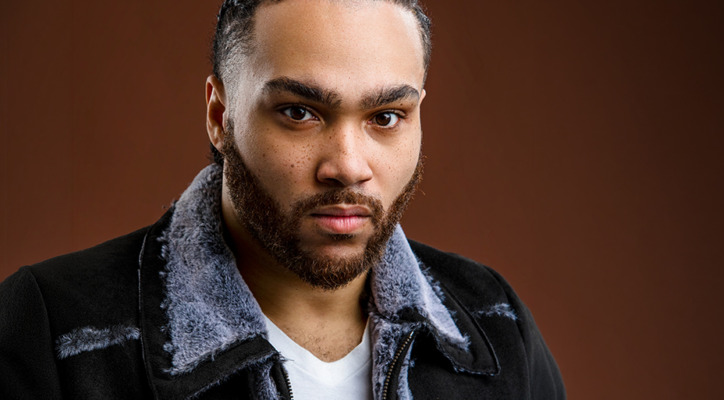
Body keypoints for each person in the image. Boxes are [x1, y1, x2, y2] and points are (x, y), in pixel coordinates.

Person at [0, 0, 565, 398]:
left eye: (386, 117)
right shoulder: (54, 332)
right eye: (299, 112)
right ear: (220, 116)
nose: (348, 165)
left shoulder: (494, 324)